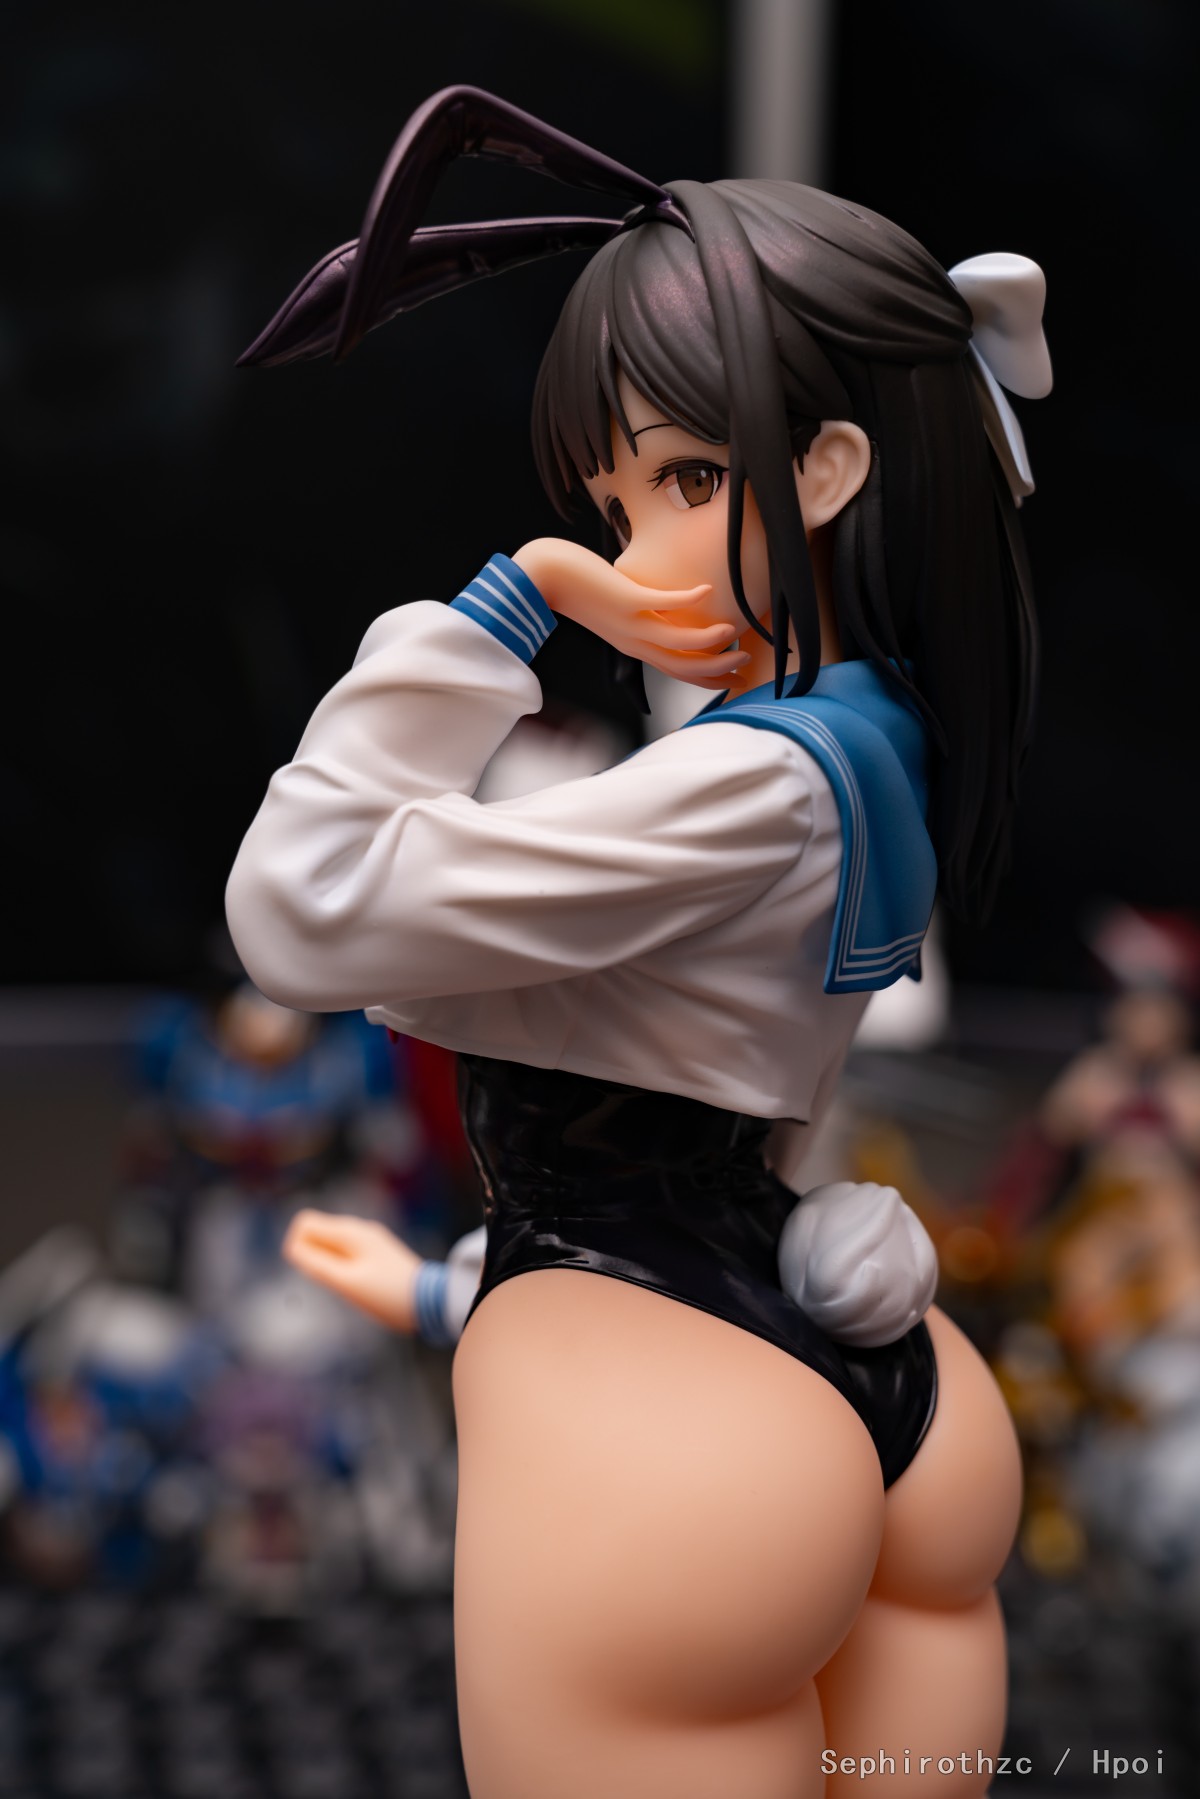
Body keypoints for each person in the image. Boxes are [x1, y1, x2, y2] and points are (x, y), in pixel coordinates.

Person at [227, 87, 1048, 1799]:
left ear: (826, 472)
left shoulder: (748, 784)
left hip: (670, 1417)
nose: (633, 552)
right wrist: (440, 1285)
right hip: (858, 1369)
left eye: (682, 480)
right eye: (612, 504)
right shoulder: (873, 733)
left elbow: (298, 901)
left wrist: (507, 603)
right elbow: (666, 1100)